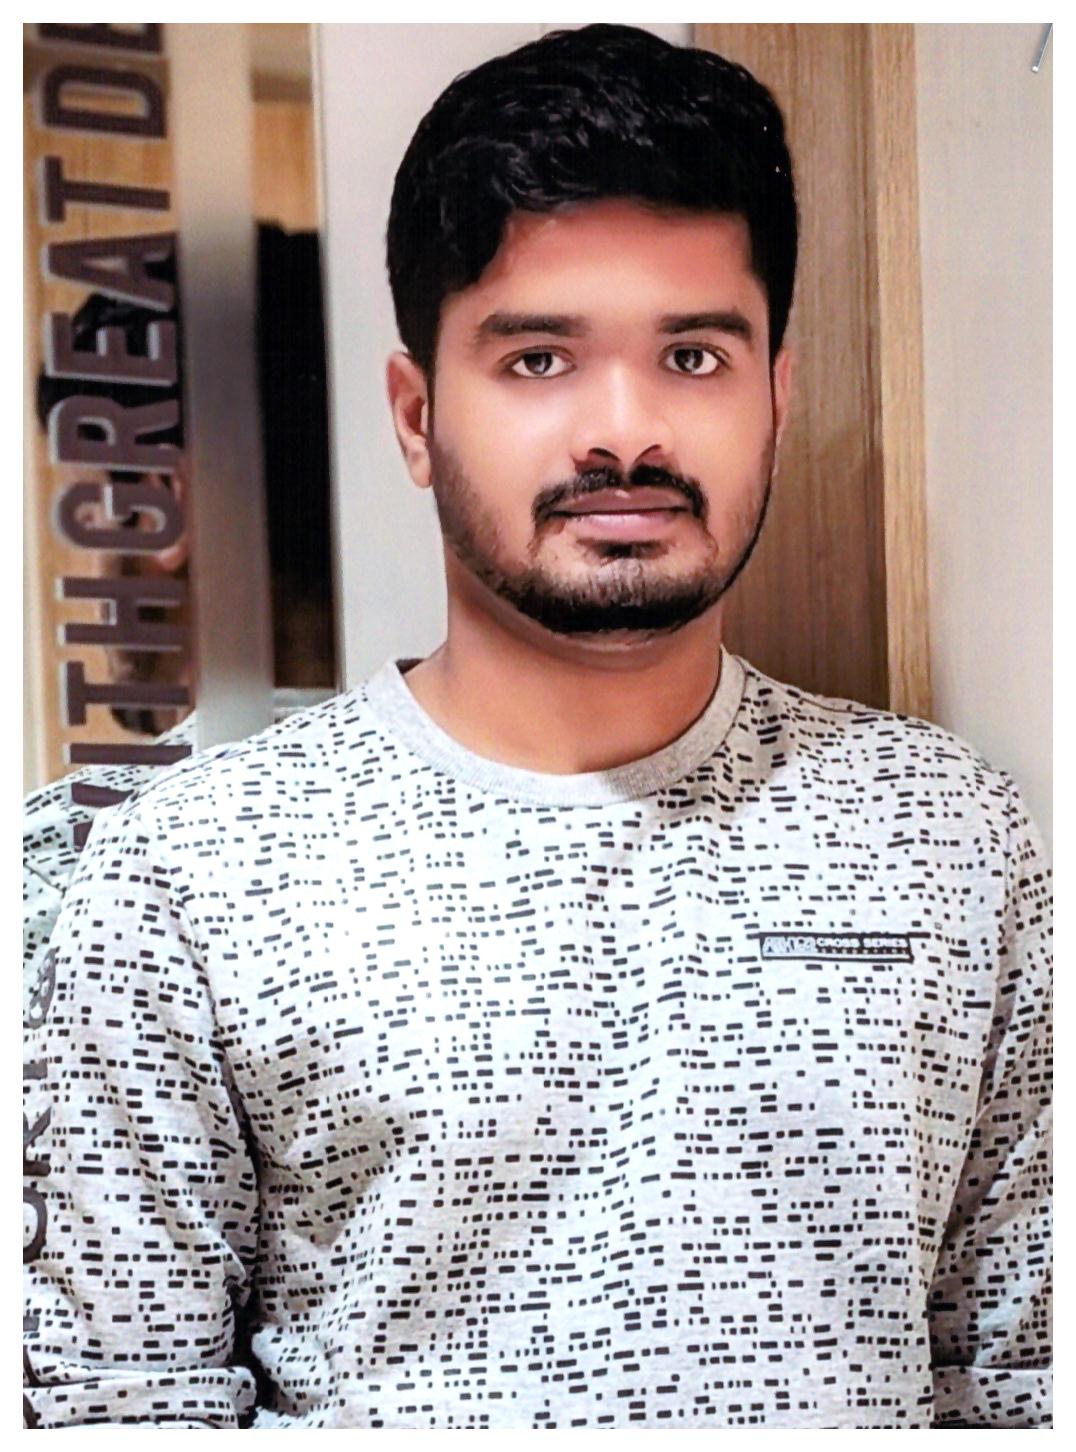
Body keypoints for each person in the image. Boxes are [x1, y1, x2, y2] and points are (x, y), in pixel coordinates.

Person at [23, 24, 1051, 1430]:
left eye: (694, 354)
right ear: (415, 415)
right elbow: (116, 1404)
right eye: (539, 359)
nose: (624, 433)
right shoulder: (192, 868)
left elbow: (1027, 1377)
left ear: (776, 395)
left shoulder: (949, 830)